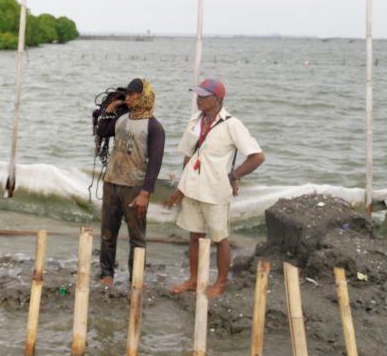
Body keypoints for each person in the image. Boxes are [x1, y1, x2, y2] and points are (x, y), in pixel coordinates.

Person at [164, 78, 265, 298]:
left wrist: (234, 175)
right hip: (192, 189)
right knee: (194, 236)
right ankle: (193, 279)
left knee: (220, 238)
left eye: (203, 96)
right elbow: (188, 156)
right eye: (197, 95)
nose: (198, 99)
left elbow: (257, 156)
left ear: (217, 99)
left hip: (216, 192)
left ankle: (220, 283)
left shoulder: (231, 124)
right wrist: (181, 188)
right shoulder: (194, 120)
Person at [93, 78, 165, 287]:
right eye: (128, 94)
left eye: (133, 94)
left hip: (134, 186)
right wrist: (109, 109)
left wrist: (145, 193)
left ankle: (136, 277)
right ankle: (107, 274)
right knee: (108, 232)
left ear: (144, 96)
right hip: (112, 182)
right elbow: (102, 131)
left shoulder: (154, 127)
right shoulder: (122, 118)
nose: (129, 97)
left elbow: (155, 164)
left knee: (137, 236)